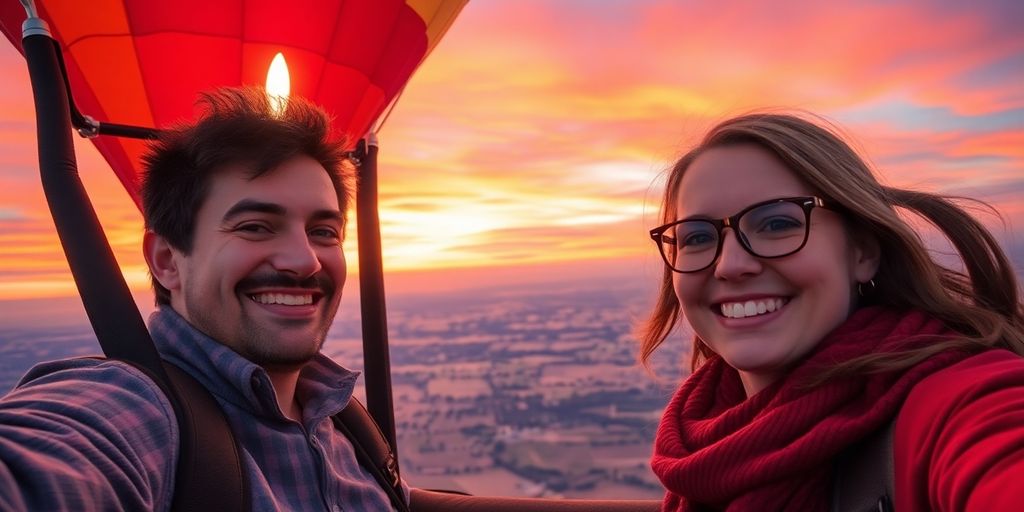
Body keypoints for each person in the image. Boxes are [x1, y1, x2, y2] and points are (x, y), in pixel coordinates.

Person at [0, 87, 405, 510]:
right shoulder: (138, 412)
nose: (305, 261)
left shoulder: (342, 420)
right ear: (167, 260)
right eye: (255, 226)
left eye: (324, 232)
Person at [641, 112, 1024, 511]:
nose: (730, 264)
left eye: (775, 224)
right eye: (697, 237)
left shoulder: (955, 402)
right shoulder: (704, 445)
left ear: (862, 252)